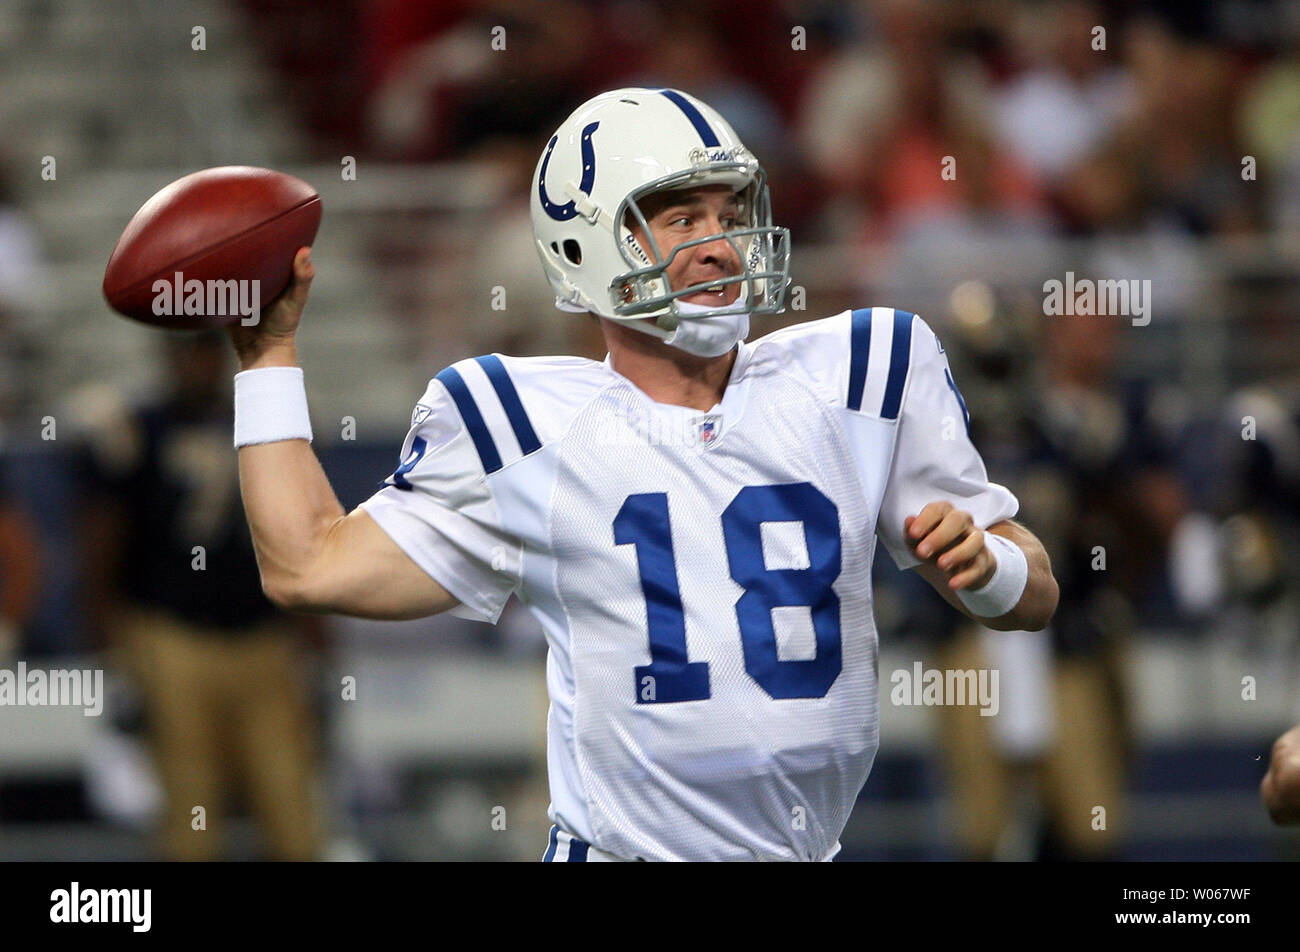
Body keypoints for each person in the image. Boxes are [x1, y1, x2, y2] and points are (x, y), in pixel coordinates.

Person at [229, 87, 1059, 862]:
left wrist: (988, 570)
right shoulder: (521, 421)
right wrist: (268, 357)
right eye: (679, 217)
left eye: (729, 213)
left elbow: (1037, 594)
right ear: (587, 241)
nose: (719, 243)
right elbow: (308, 563)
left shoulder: (863, 371)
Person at [77, 332, 325, 861]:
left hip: (262, 635)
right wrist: (108, 638)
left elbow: (304, 527)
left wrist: (316, 634)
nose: (199, 365)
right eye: (188, 352)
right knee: (190, 812)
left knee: (292, 807)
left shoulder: (262, 422)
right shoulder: (138, 431)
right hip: (171, 634)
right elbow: (104, 537)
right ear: (168, 359)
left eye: (207, 352)